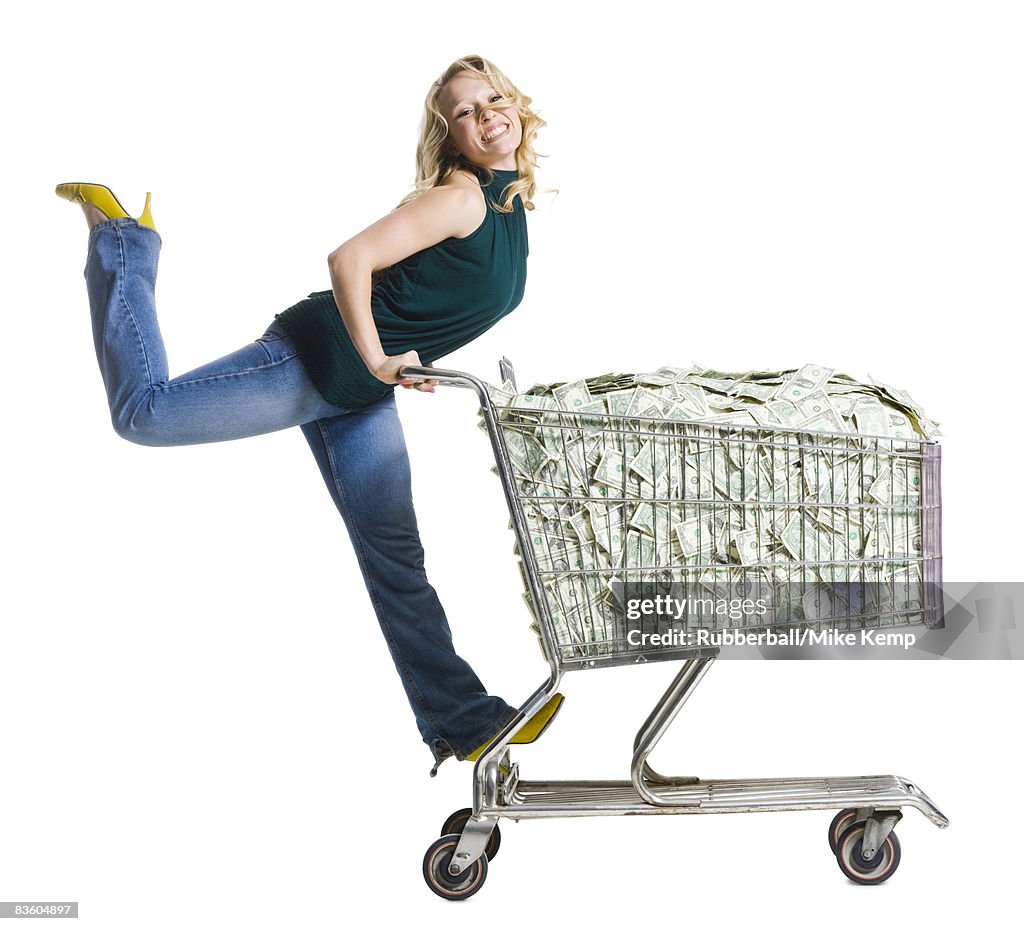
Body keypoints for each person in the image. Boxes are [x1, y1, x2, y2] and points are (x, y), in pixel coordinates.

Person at [56, 54, 563, 776]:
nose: (487, 116)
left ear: (515, 104)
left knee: (394, 555)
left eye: (492, 100)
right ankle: (122, 240)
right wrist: (378, 355)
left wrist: (394, 357)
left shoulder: (506, 202)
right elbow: (350, 258)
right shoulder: (463, 198)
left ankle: (466, 718)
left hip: (356, 389)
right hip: (314, 358)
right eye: (465, 113)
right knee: (145, 412)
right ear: (452, 137)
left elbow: (418, 292)